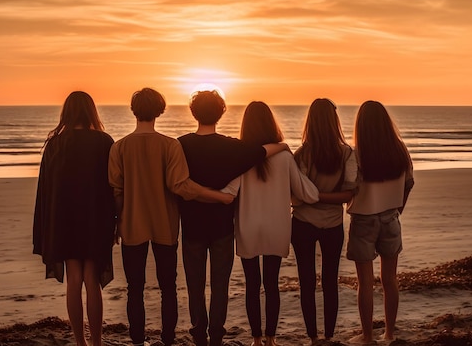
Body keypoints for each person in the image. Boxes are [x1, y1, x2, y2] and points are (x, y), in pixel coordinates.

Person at [108, 88, 233, 346]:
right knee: (168, 288)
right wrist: (216, 195)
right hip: (165, 225)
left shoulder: (119, 148)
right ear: (160, 111)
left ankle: (138, 341)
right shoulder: (170, 145)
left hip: (132, 226)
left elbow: (116, 191)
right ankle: (167, 340)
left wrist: (118, 222)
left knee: (135, 288)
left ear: (134, 110)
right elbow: (181, 186)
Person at [178, 91, 287, 346]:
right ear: (222, 112)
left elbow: (175, 183)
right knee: (220, 285)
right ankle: (216, 334)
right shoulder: (231, 147)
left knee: (195, 284)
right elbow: (262, 152)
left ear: (194, 113)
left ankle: (198, 333)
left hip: (192, 226)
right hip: (222, 228)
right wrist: (283, 146)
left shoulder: (181, 144)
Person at [233, 101, 319, 346]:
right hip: (276, 227)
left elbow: (231, 192)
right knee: (271, 283)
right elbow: (308, 194)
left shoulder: (241, 158)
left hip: (248, 226)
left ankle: (256, 339)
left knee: (252, 284)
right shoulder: (283, 157)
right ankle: (271, 338)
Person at [33, 91, 115, 346]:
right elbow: (113, 185)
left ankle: (80, 342)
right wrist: (115, 220)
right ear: (92, 112)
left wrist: (47, 226)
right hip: (94, 219)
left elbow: (45, 190)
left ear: (66, 113)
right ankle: (97, 343)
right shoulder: (104, 142)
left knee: (74, 281)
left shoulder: (56, 144)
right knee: (92, 281)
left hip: (65, 221)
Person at [346, 100, 414, 344]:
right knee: (390, 280)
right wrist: (397, 209)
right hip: (391, 218)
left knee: (365, 283)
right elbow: (409, 184)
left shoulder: (357, 155)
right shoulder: (399, 150)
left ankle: (367, 336)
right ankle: (389, 333)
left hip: (364, 220)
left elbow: (350, 187)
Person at [290, 98, 358, 344]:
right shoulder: (347, 153)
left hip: (302, 223)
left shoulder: (302, 154)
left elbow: (300, 195)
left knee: (306, 281)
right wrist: (328, 198)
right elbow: (349, 193)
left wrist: (314, 196)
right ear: (334, 121)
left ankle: (312, 337)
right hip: (332, 225)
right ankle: (328, 336)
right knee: (331, 281)